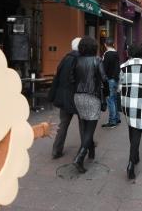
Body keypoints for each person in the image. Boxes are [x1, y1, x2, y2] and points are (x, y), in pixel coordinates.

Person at [119, 44, 142, 180]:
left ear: (129, 53)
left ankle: (136, 155)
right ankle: (130, 164)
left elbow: (120, 85)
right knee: (137, 132)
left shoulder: (123, 67)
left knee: (131, 128)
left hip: (127, 102)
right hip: (140, 103)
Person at [72, 36, 108, 173]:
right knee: (90, 129)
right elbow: (104, 78)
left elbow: (71, 78)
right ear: (94, 47)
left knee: (84, 125)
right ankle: (79, 158)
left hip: (78, 96)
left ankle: (91, 150)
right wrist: (107, 91)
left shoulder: (76, 60)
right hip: (92, 96)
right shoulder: (97, 60)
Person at [48, 37, 83, 159]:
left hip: (64, 98)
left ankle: (56, 150)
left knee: (63, 124)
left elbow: (57, 78)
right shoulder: (81, 60)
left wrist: (53, 95)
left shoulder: (65, 59)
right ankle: (85, 150)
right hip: (78, 97)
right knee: (83, 124)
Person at [101, 38, 121, 128]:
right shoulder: (116, 53)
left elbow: (104, 68)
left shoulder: (107, 54)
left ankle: (112, 121)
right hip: (116, 79)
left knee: (110, 100)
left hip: (110, 79)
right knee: (114, 99)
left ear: (105, 44)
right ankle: (117, 118)